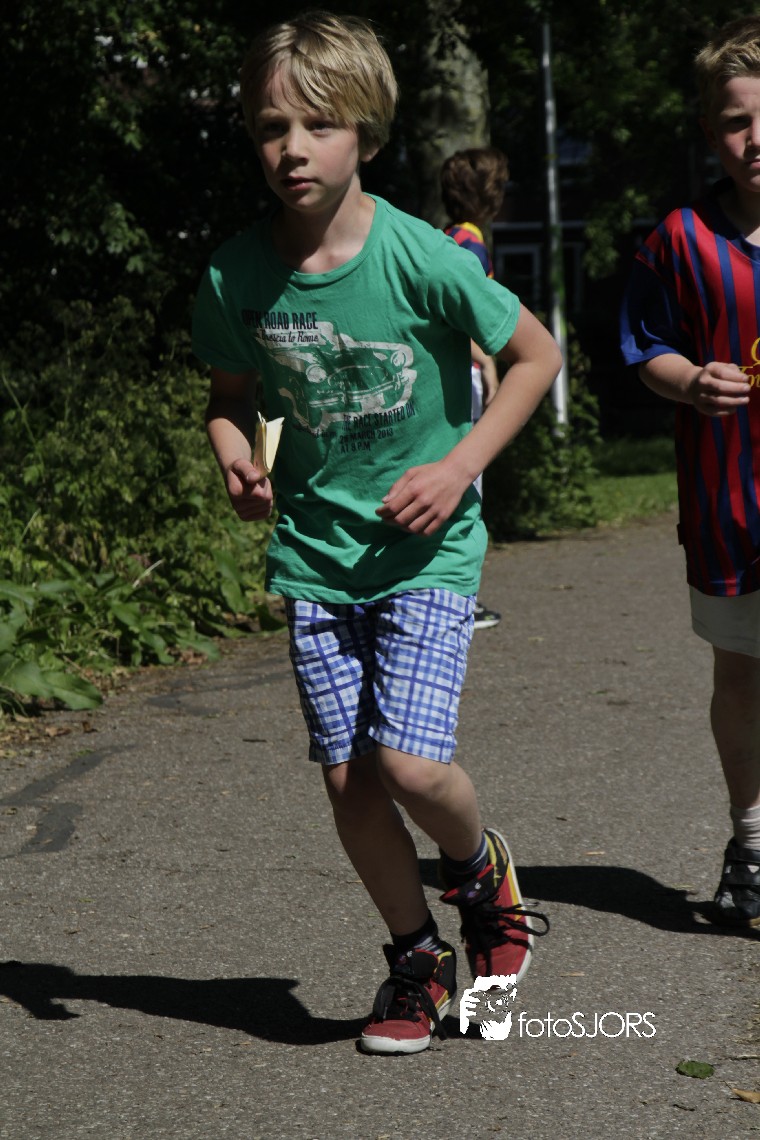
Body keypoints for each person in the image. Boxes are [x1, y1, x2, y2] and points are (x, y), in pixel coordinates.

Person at [192, 10, 558, 1055]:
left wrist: (456, 468)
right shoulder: (234, 276)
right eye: (273, 127)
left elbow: (534, 357)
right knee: (349, 780)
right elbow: (231, 397)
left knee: (408, 767)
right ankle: (417, 959)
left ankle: (482, 880)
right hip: (316, 556)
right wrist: (236, 456)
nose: (293, 148)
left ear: (367, 133)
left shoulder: (420, 258)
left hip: (426, 549)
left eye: (319, 125)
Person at [620, 14, 760, 930]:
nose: (757, 139)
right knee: (742, 673)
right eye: (738, 121)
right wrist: (690, 381)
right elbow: (646, 346)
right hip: (730, 505)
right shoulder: (679, 238)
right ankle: (752, 845)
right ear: (713, 133)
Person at [441, 146, 510, 630]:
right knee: (468, 485)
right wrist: (487, 364)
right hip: (462, 377)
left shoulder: (448, 236)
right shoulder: (470, 244)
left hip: (448, 376)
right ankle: (463, 597)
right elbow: (461, 315)